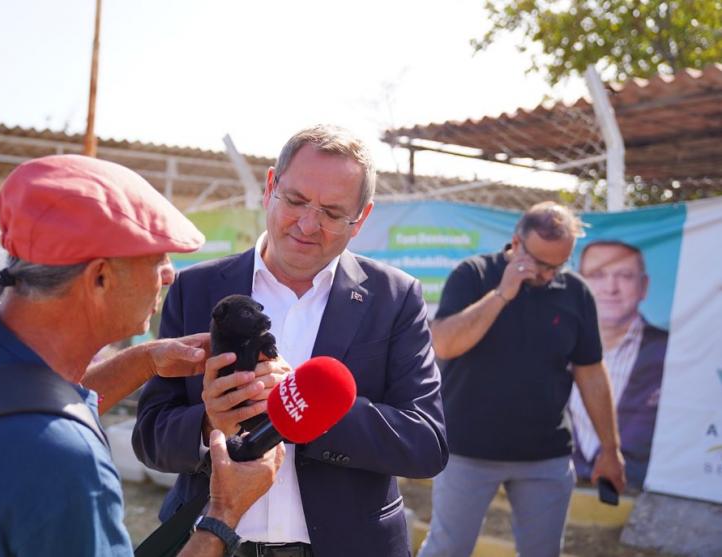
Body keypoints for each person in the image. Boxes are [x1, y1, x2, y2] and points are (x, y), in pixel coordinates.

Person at [0, 154, 284, 557]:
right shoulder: (66, 465)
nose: (169, 273)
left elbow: (22, 405)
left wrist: (145, 361)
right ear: (100, 277)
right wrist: (223, 514)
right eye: (157, 258)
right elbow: (38, 430)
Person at [132, 125, 448, 557]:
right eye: (296, 201)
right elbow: (149, 435)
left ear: (362, 218)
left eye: (333, 213)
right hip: (208, 544)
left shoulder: (394, 298)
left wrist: (304, 404)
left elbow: (425, 444)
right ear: (270, 187)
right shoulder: (196, 289)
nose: (307, 224)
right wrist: (209, 425)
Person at [418, 202, 627, 557]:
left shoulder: (575, 293)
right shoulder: (474, 274)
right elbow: (444, 344)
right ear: (516, 243)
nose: (548, 275)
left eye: (558, 265)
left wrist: (610, 449)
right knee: (447, 549)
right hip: (467, 450)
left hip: (546, 455)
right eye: (541, 264)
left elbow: (591, 373)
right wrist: (502, 294)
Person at [569, 240, 669, 489]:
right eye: (597, 275)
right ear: (579, 283)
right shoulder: (552, 342)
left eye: (624, 276)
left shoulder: (674, 352)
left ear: (643, 286)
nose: (610, 288)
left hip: (642, 496)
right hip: (559, 487)